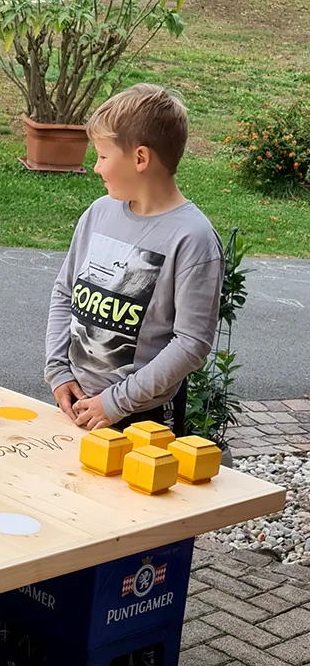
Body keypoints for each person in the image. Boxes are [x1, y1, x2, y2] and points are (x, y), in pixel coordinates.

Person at [45, 84, 223, 435]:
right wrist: (57, 372)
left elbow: (192, 343)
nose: (96, 168)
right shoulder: (98, 214)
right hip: (77, 404)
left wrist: (114, 403)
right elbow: (65, 293)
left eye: (103, 156)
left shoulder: (193, 239)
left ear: (140, 159)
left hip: (144, 419)